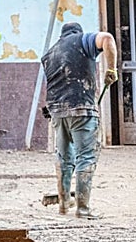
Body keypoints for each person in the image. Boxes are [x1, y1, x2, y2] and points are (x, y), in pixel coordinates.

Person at [40, 21, 118, 219]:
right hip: (81, 108)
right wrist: (111, 69)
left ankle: (64, 204)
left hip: (57, 111)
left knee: (64, 158)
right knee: (86, 157)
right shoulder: (83, 40)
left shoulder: (50, 53)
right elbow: (107, 39)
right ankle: (83, 209)